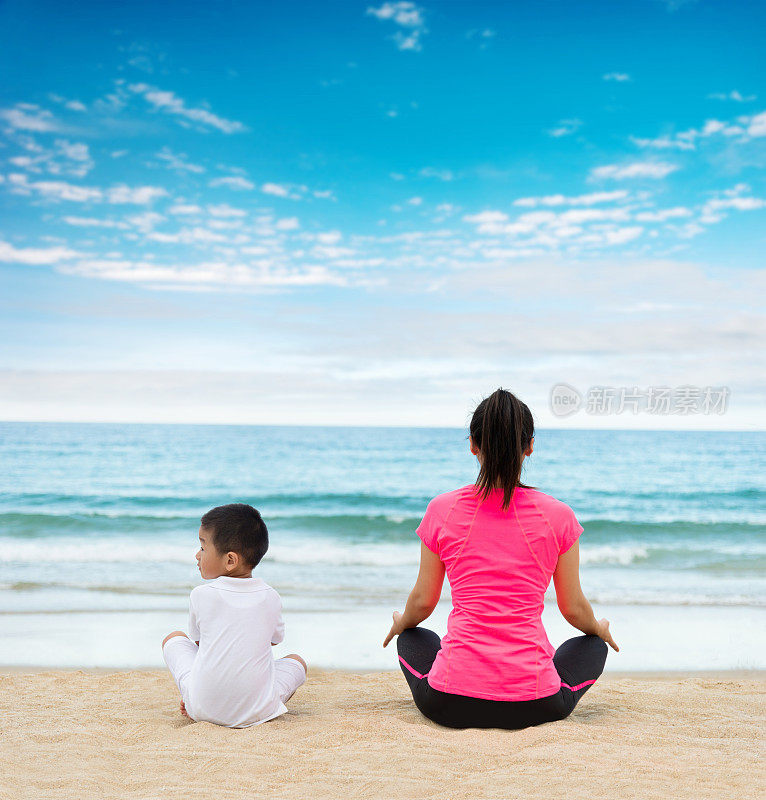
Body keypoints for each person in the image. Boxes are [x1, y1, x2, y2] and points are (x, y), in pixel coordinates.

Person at [383, 388, 619, 729]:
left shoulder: (442, 510)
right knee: (593, 645)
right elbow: (574, 610)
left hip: (449, 703)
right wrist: (600, 629)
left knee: (413, 636)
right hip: (535, 704)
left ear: (473, 445)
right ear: (530, 446)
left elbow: (422, 603)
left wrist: (401, 621)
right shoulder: (559, 516)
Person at [162, 503, 307, 728]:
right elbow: (273, 641)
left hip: (202, 708)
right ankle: (263, 704)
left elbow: (202, 646)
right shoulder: (271, 597)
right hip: (258, 712)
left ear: (230, 560)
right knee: (297, 662)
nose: (197, 555)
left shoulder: (201, 595)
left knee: (173, 639)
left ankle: (195, 700)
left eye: (203, 547)